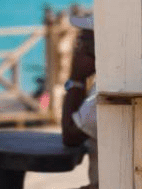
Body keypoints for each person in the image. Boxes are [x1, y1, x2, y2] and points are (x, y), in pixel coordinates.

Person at [62, 13, 98, 189]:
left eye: (82, 41)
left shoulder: (104, 94)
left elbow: (71, 135)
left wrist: (76, 79)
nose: (77, 48)